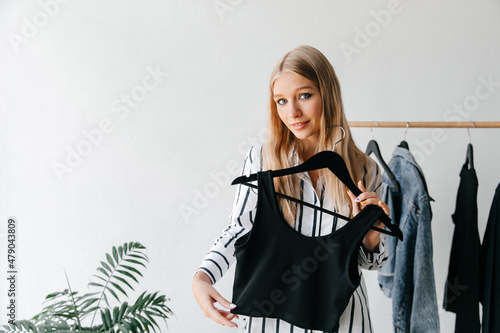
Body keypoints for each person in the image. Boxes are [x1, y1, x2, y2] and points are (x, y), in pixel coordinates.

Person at [192, 45, 390, 332]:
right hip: (270, 322)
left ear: (328, 95)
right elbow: (239, 229)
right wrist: (203, 276)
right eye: (281, 101)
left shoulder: (365, 171)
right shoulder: (261, 161)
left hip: (344, 322)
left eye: (304, 96)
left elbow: (371, 263)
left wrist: (371, 238)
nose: (293, 112)